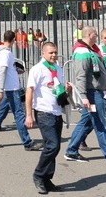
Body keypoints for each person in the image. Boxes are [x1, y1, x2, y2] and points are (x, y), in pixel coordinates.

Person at [63, 26, 106, 168]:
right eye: (94, 34)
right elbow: (80, 77)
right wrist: (84, 97)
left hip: (97, 91)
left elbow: (100, 72)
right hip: (92, 93)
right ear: (89, 34)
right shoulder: (82, 52)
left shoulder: (90, 50)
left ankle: (71, 150)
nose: (96, 37)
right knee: (101, 124)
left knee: (86, 122)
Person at [25, 41, 71, 194]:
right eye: (50, 52)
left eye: (55, 52)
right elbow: (29, 91)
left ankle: (46, 178)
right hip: (44, 113)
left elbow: (57, 88)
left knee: (53, 147)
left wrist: (66, 89)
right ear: (43, 53)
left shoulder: (57, 68)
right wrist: (29, 115)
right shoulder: (37, 69)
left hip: (56, 111)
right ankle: (38, 175)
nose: (53, 55)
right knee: (53, 145)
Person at [0, 30, 40, 151]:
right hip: (10, 89)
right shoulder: (5, 53)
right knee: (19, 115)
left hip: (9, 88)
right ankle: (27, 142)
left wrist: (15, 72)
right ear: (13, 40)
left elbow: (5, 70)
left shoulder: (2, 52)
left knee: (1, 113)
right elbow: (2, 71)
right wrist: (1, 89)